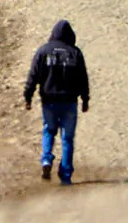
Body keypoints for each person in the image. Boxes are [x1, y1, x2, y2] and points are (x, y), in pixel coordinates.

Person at [22, 19, 90, 185]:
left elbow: (33, 75)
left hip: (49, 101)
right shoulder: (75, 53)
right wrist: (85, 99)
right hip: (69, 102)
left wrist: (28, 96)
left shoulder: (43, 51)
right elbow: (83, 78)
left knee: (48, 130)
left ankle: (46, 160)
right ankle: (66, 176)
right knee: (67, 139)